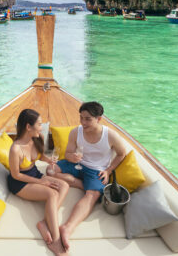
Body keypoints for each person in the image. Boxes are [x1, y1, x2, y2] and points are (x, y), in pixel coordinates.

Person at [52, 101, 128, 251]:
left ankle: (67, 228)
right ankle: (81, 184)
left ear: (99, 119)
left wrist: (108, 170)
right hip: (78, 164)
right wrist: (71, 157)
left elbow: (121, 153)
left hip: (96, 170)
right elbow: (68, 153)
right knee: (50, 171)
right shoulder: (76, 132)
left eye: (88, 119)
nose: (83, 122)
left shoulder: (110, 135)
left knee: (92, 195)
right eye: (81, 118)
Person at [8, 109, 72, 254]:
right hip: (20, 183)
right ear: (28, 127)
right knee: (52, 194)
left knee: (64, 185)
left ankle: (44, 222)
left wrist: (50, 160)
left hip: (34, 173)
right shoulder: (15, 149)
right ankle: (55, 240)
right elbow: (16, 175)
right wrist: (41, 183)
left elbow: (40, 156)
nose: (41, 127)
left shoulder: (38, 137)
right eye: (39, 124)